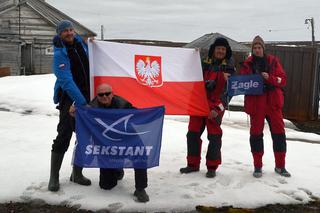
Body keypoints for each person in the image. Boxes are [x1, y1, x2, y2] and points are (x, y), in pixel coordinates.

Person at [70, 83, 149, 202]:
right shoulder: (92, 108)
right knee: (106, 186)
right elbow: (81, 130)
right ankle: (117, 168)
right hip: (105, 145)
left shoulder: (123, 104)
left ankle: (140, 188)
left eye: (107, 93)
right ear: (97, 96)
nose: (104, 96)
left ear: (112, 94)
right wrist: (75, 116)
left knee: (140, 152)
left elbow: (137, 116)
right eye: (101, 95)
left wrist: (152, 113)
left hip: (126, 140)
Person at [180, 37, 235, 178]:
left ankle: (212, 166)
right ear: (214, 50)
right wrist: (193, 55)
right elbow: (190, 73)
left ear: (226, 51)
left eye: (223, 49)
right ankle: (192, 164)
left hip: (214, 107)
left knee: (214, 136)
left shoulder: (230, 68)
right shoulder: (203, 63)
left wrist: (217, 109)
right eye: (218, 49)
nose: (220, 51)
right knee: (192, 134)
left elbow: (229, 93)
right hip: (198, 104)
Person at [48, 20, 92, 192]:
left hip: (88, 95)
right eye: (65, 31)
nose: (69, 33)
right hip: (70, 98)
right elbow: (66, 81)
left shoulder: (81, 44)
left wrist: (93, 43)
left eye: (70, 29)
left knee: (83, 136)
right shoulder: (60, 54)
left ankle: (77, 173)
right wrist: (81, 102)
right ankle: (54, 177)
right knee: (64, 135)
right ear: (59, 34)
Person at [239, 35, 291, 178]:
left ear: (263, 48)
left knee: (279, 134)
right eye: (254, 48)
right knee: (256, 135)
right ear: (252, 49)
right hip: (256, 104)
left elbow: (283, 79)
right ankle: (257, 167)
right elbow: (242, 84)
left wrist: (271, 78)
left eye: (259, 47)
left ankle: (280, 166)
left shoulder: (273, 62)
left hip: (273, 104)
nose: (257, 50)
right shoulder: (247, 64)